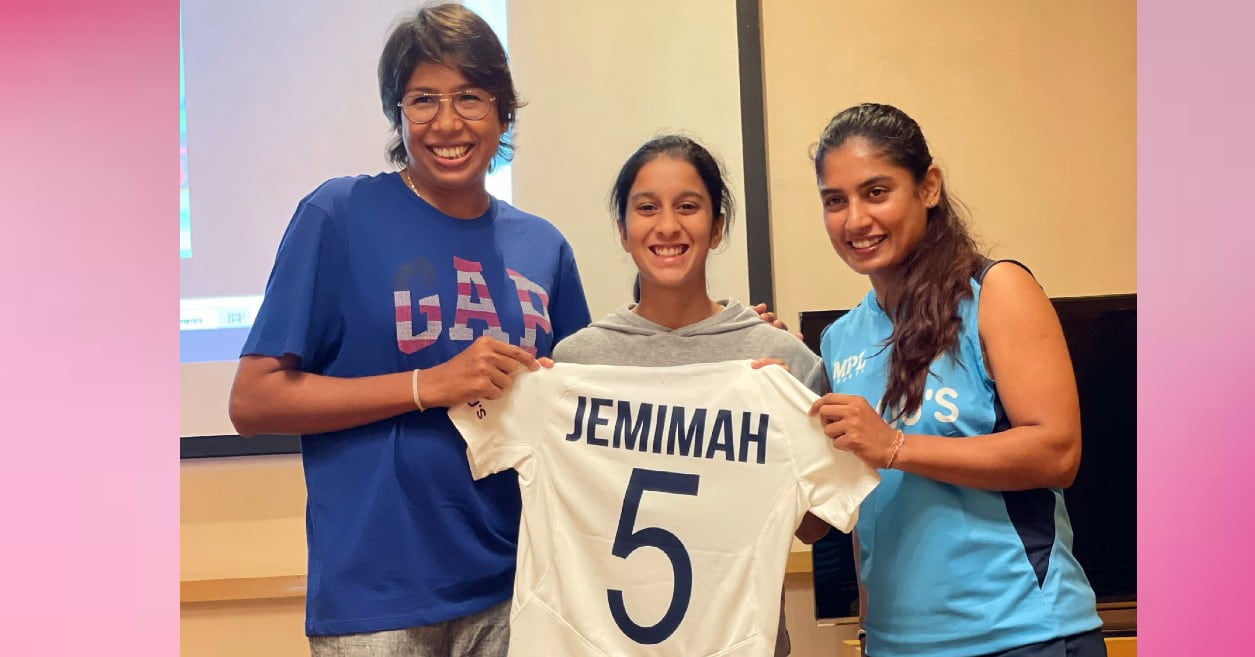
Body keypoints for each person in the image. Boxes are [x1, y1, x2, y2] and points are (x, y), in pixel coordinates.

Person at [226, 5, 590, 656]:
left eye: (470, 97)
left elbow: (586, 411)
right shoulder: (338, 215)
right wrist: (429, 383)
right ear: (398, 114)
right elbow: (253, 400)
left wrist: (729, 350)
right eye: (423, 99)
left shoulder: (544, 247)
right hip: (376, 603)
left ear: (504, 113)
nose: (446, 122)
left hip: (517, 591)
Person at [806, 103, 1103, 657]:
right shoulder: (839, 340)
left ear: (929, 187)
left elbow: (1057, 451)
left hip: (1023, 635)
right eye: (834, 200)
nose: (854, 220)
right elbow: (861, 508)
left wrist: (896, 446)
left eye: (876, 192)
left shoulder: (997, 292)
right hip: (897, 645)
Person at [552, 134, 832, 657]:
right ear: (623, 229)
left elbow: (816, 528)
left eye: (688, 206)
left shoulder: (782, 360)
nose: (667, 226)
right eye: (646, 208)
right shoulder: (573, 365)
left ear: (718, 225)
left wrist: (784, 431)